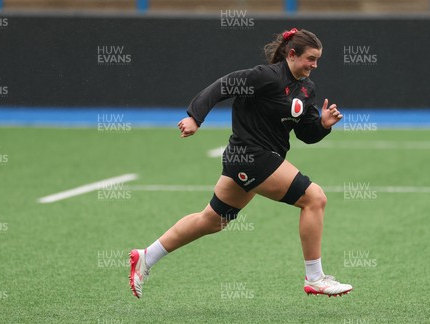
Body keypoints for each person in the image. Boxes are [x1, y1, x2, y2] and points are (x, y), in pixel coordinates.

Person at [130, 28, 352, 298]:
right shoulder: (265, 76)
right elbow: (221, 86)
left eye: (318, 60)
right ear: (291, 55)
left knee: (212, 220)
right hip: (250, 156)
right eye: (311, 59)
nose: (315, 66)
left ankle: (145, 257)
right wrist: (195, 118)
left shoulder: (307, 89)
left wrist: (323, 125)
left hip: (256, 160)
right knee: (314, 198)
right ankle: (315, 278)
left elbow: (306, 134)